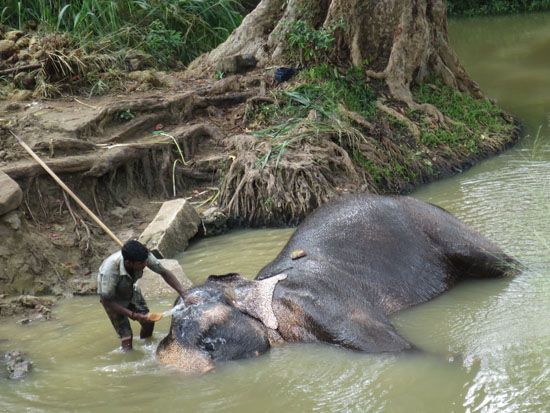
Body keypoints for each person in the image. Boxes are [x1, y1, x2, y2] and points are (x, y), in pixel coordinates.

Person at [97, 239, 189, 351]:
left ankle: (146, 346)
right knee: (127, 338)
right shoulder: (110, 271)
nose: (146, 265)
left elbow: (164, 272)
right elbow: (107, 301)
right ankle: (129, 359)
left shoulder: (143, 256)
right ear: (128, 263)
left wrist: (184, 294)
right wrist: (133, 315)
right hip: (112, 299)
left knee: (149, 322)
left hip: (130, 289)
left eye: (146, 261)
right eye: (141, 263)